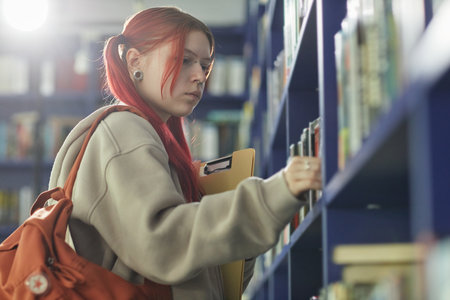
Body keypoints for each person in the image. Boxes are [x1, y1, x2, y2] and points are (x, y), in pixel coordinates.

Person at [48, 6, 322, 300]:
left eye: (204, 65)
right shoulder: (123, 131)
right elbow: (164, 245)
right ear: (134, 61)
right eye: (184, 60)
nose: (199, 77)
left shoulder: (155, 139)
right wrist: (275, 194)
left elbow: (195, 273)